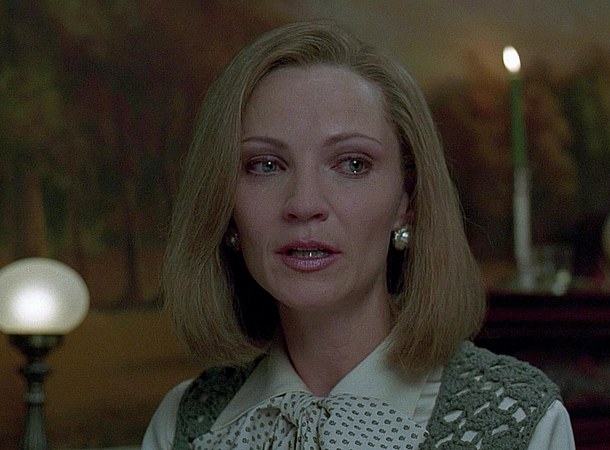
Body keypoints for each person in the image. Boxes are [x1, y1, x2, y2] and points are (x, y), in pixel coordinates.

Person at [142, 20, 574, 449]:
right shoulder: (184, 424)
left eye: (352, 164)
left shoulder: (522, 422)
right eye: (266, 165)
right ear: (225, 207)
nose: (304, 203)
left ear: (407, 201)